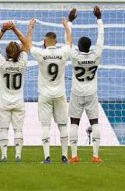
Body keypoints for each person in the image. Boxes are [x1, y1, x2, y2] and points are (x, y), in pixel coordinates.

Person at [24, 11, 74, 165]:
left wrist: (31, 28)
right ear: (56, 41)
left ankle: (47, 157)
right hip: (60, 94)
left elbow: (28, 45)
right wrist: (66, 26)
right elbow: (70, 43)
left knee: (46, 125)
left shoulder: (41, 53)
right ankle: (64, 156)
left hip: (45, 95)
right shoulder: (63, 52)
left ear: (45, 42)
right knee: (63, 125)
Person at [68, 6, 104, 164]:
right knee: (94, 122)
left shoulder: (74, 55)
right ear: (89, 46)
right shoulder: (96, 55)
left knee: (74, 122)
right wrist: (99, 18)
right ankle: (95, 156)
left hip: (76, 92)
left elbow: (67, 40)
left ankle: (74, 156)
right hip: (91, 93)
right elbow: (101, 39)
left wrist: (70, 21)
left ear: (79, 46)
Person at [0, 20, 29, 163]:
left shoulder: (2, 63)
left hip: (4, 102)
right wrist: (14, 29)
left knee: (4, 129)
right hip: (18, 101)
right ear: (19, 52)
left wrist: (3, 30)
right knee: (18, 130)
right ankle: (18, 155)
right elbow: (26, 43)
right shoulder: (22, 63)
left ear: (6, 53)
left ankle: (4, 155)